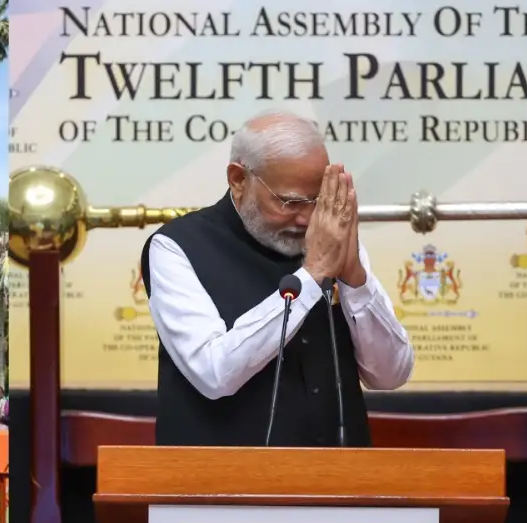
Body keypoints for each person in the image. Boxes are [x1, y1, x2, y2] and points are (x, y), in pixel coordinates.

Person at [142, 110, 414, 447]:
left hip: (338, 481)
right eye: (290, 202)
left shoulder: (330, 237)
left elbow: (391, 374)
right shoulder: (176, 247)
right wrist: (312, 275)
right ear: (239, 179)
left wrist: (355, 278)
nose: (307, 218)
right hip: (220, 485)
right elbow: (213, 373)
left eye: (317, 200)